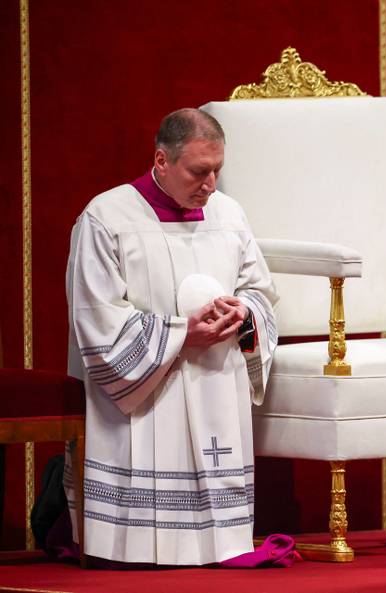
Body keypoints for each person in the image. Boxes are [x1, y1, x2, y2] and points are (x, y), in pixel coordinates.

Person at [64, 108, 278, 565]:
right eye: (199, 171)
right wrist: (182, 336)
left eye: (218, 170)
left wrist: (244, 311)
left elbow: (258, 289)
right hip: (145, 393)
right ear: (161, 161)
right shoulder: (106, 217)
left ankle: (219, 541)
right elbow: (97, 318)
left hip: (216, 380)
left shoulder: (228, 213)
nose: (211, 185)